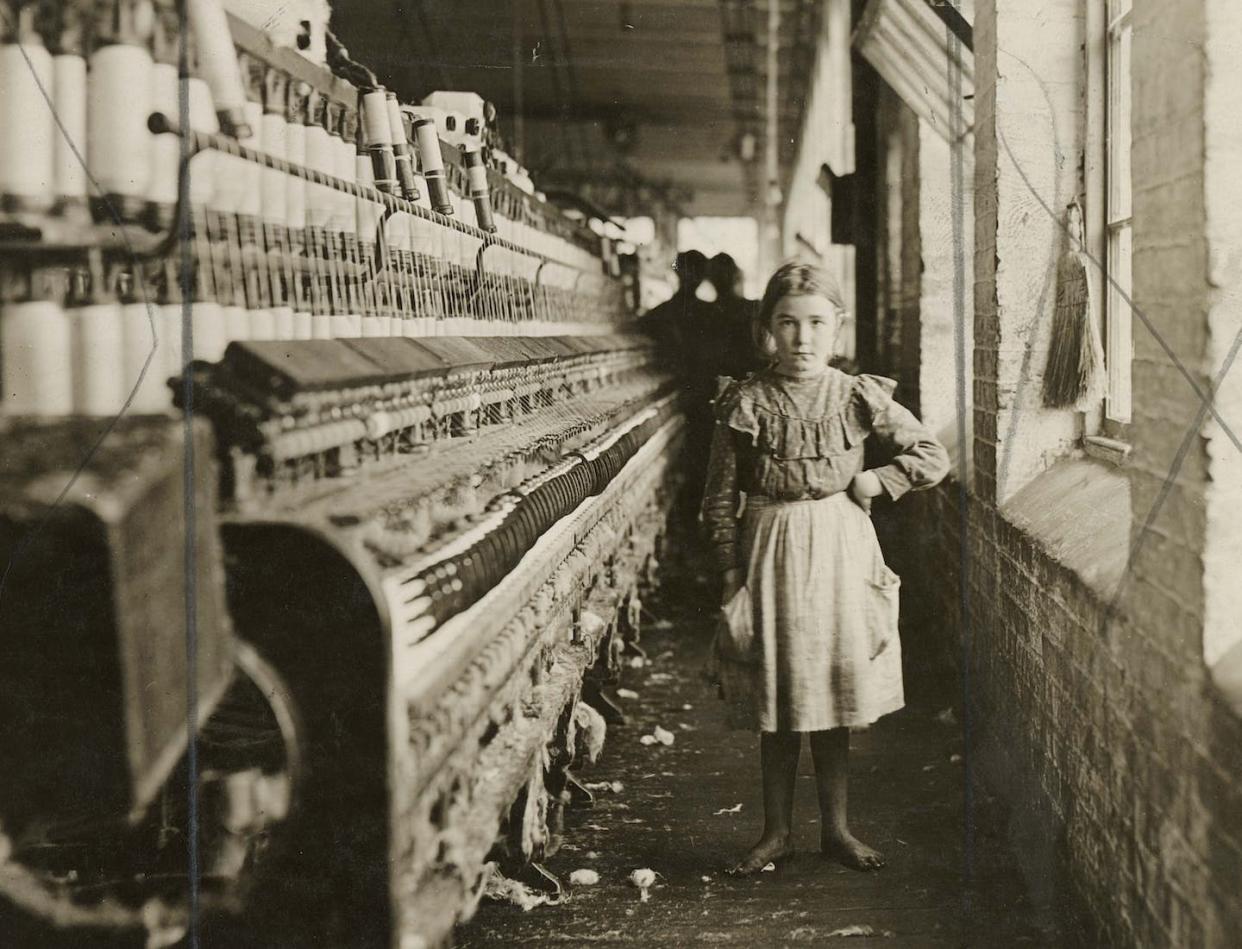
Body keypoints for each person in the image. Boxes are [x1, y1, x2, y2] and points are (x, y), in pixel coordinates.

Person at [700, 261, 949, 875]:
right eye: (787, 323)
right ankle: (775, 832)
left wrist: (878, 479)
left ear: (836, 328)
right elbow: (718, 497)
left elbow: (932, 455)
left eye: (815, 323)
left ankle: (836, 829)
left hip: (841, 544)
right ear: (766, 330)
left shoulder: (858, 395)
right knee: (780, 690)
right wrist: (732, 575)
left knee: (834, 689)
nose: (802, 338)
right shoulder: (745, 400)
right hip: (770, 547)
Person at [704, 253, 761, 380]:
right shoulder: (754, 307)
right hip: (750, 378)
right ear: (737, 277)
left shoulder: (704, 312)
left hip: (717, 381)